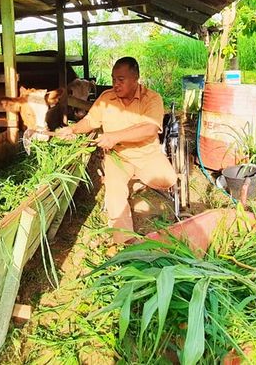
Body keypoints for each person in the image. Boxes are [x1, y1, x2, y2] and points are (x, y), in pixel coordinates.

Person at [56, 57, 177, 243]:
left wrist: (114, 136)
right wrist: (72, 129)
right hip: (118, 157)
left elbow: (150, 128)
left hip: (147, 154)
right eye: (113, 79)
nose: (115, 84)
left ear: (136, 78)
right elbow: (90, 121)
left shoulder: (151, 98)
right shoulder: (106, 99)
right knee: (115, 191)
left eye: (121, 80)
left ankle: (136, 183)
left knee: (167, 179)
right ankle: (125, 240)